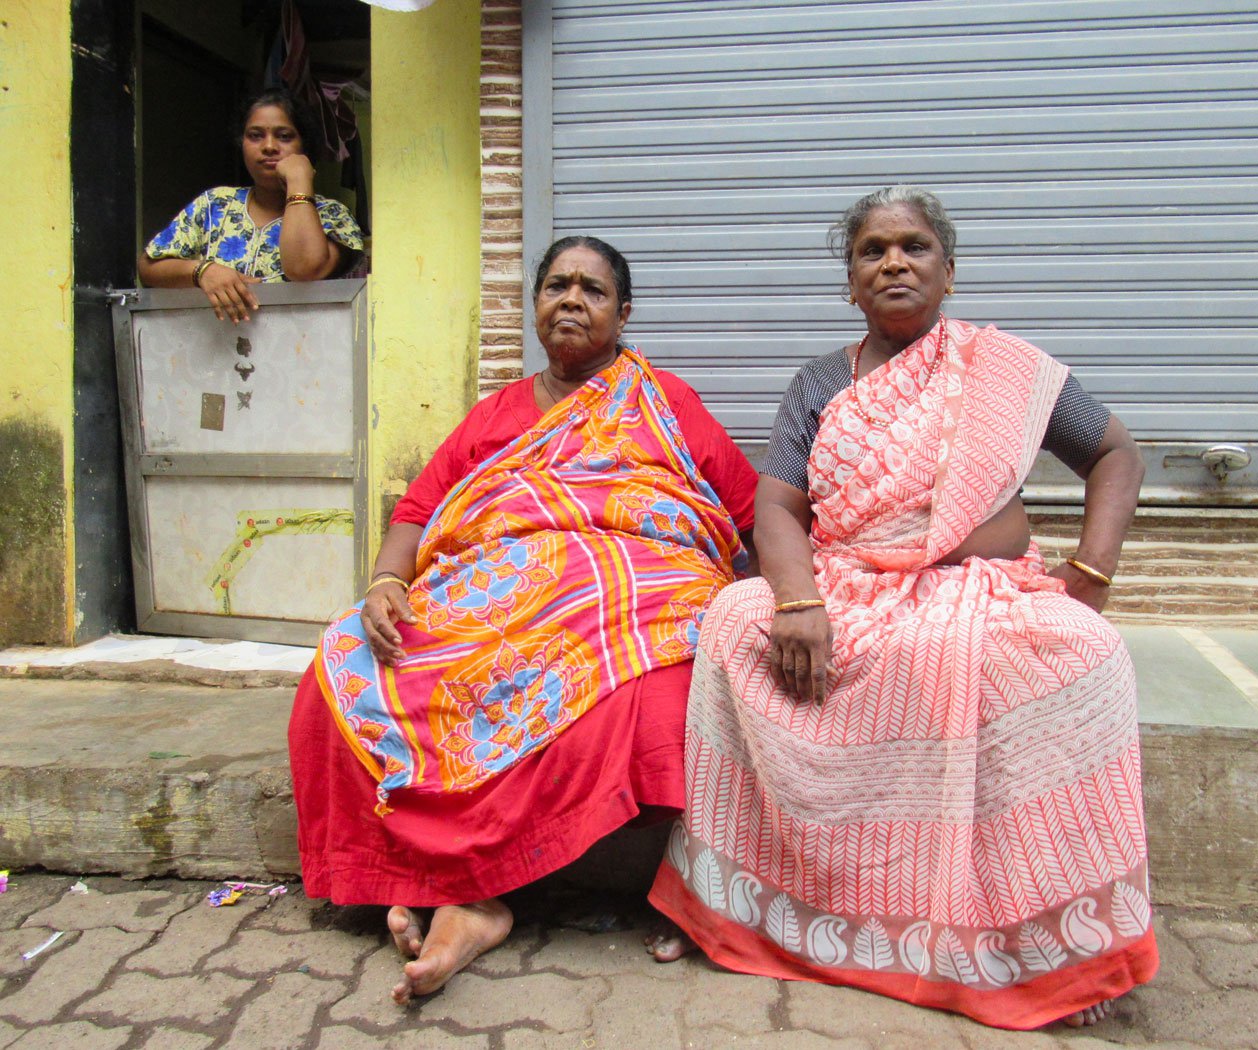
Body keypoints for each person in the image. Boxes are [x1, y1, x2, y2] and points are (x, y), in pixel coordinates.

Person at [648, 186, 1157, 1030]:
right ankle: (734, 907)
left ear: (948, 272)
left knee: (1088, 653)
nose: (893, 262)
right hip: (846, 584)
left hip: (980, 589)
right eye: (871, 251)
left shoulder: (1004, 368)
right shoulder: (820, 382)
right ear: (850, 283)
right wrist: (797, 599)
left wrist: (1091, 574)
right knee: (735, 619)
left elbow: (1117, 454)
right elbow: (777, 506)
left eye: (914, 247)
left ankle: (1059, 948)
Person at [289, 236, 757, 1004]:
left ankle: (466, 899)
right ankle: (460, 895)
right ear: (535, 305)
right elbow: (417, 511)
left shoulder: (665, 401)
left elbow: (746, 508)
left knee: (653, 699)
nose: (572, 299)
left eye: (593, 290)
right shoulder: (496, 414)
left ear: (624, 314)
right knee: (347, 666)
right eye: (556, 286)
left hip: (634, 599)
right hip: (495, 599)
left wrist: (781, 606)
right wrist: (385, 582)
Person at [138, 88, 364, 324]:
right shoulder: (215, 205)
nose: (269, 146)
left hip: (302, 344)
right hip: (216, 345)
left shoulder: (333, 216)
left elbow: (304, 269)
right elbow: (148, 267)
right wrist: (203, 271)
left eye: (284, 136)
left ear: (304, 146)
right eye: (255, 136)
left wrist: (299, 181)